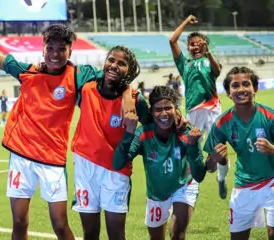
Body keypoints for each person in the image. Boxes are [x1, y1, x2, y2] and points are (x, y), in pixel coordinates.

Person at [0, 9, 109, 239]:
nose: (55, 53)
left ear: (70, 51)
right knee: (19, 222)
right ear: (43, 49)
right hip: (21, 157)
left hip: (52, 160)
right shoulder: (28, 72)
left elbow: (108, 82)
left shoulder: (78, 75)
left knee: (60, 225)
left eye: (62, 49)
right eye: (50, 48)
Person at [71, 45, 150, 239]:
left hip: (116, 172)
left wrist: (131, 141)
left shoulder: (136, 101)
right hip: (85, 166)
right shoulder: (86, 86)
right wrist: (127, 90)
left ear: (129, 71)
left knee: (116, 233)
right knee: (89, 233)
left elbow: (151, 124)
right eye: (111, 60)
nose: (114, 65)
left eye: (121, 63)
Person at [113, 86, 208, 240]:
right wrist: (129, 132)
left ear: (176, 109)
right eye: (158, 109)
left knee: (177, 235)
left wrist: (192, 146)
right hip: (156, 193)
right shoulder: (143, 133)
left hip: (184, 185)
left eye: (168, 108)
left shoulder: (188, 132)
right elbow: (118, 163)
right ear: (151, 112)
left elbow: (199, 175)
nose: (164, 113)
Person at [204, 66, 274, 239]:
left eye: (246, 84)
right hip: (244, 185)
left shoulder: (270, 116)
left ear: (255, 89)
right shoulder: (222, 123)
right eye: (235, 86)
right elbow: (209, 167)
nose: (241, 89)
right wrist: (214, 158)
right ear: (228, 92)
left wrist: (272, 149)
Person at [169, 15, 228, 199]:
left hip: (212, 111)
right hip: (193, 113)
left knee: (220, 152)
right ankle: (187, 186)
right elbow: (172, 40)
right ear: (188, 47)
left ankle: (221, 178)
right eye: (191, 44)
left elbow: (217, 71)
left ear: (205, 45)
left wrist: (208, 52)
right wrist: (186, 21)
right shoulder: (184, 64)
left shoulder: (210, 61)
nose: (195, 46)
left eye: (199, 43)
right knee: (187, 150)